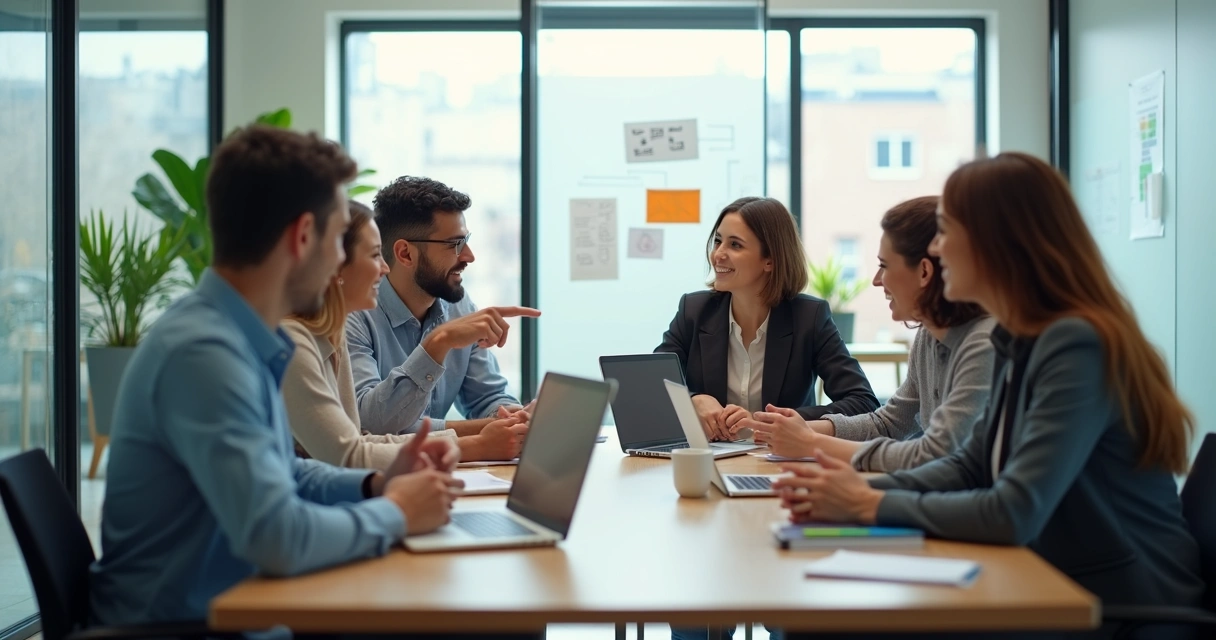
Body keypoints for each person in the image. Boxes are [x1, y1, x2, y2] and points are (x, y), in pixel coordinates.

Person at [775, 152, 1204, 640]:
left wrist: (866, 506)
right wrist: (852, 493)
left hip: (1115, 604)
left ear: (998, 243)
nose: (936, 248)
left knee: (829, 626)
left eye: (947, 230)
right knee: (819, 622)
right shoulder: (1023, 340)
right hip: (1048, 577)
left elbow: (1013, 511)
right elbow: (967, 466)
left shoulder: (1076, 344)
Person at [89, 126, 463, 630]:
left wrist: (377, 483)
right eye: (336, 240)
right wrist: (397, 512)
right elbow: (277, 538)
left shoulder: (237, 335)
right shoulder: (204, 354)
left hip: (236, 607)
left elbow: (285, 471)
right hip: (185, 625)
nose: (340, 261)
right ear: (302, 237)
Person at [739, 196, 996, 472]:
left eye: (883, 266)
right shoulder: (929, 336)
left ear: (924, 271)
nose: (876, 280)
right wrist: (798, 429)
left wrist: (812, 443)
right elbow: (889, 423)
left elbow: (934, 456)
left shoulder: (984, 344)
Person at [282, 200, 527, 469]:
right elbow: (355, 448)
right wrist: (476, 443)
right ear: (335, 264)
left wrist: (513, 421)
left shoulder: (331, 335)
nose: (384, 268)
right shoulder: (297, 342)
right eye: (375, 255)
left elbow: (361, 442)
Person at [346, 176, 540, 461]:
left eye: (467, 241)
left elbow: (486, 397)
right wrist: (437, 344)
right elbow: (370, 423)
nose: (469, 256)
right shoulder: (353, 314)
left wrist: (513, 417)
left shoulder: (459, 305)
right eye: (454, 245)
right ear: (405, 253)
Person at [655, 196, 878, 443]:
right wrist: (693, 400)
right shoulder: (694, 310)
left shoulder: (808, 318)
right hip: (709, 460)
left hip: (780, 462)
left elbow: (863, 402)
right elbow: (651, 382)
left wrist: (772, 423)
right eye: (718, 241)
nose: (718, 254)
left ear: (770, 260)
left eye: (735, 245)